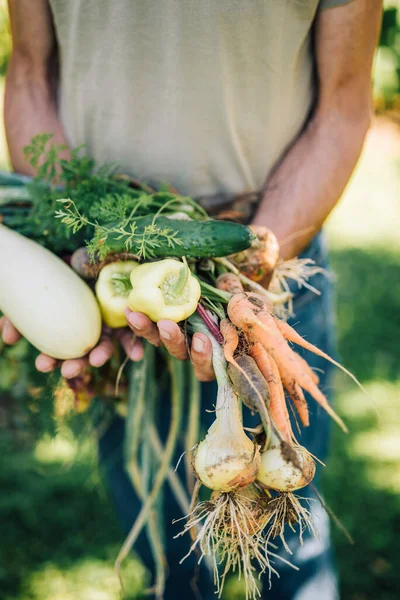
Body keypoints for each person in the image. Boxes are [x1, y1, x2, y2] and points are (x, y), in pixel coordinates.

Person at [0, 1, 382, 598]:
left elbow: (344, 103)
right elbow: (28, 73)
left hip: (267, 283)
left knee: (293, 552)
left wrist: (244, 277)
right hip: (114, 296)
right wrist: (71, 253)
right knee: (168, 555)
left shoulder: (252, 281)